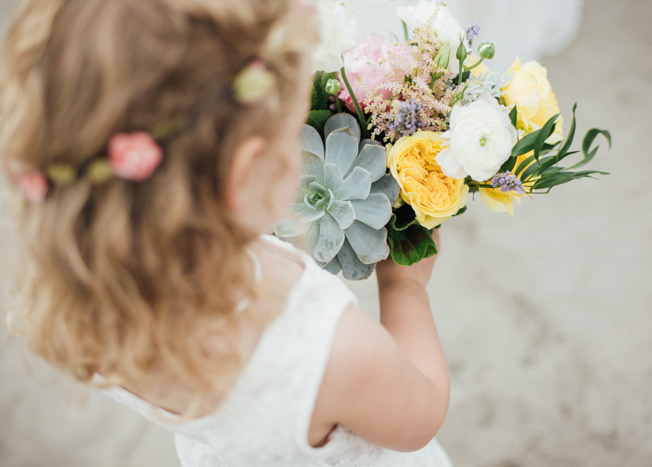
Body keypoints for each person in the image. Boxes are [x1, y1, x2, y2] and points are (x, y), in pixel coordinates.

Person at [0, 0, 452, 465]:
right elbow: (422, 413)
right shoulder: (330, 348)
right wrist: (405, 288)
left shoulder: (88, 294)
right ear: (245, 172)